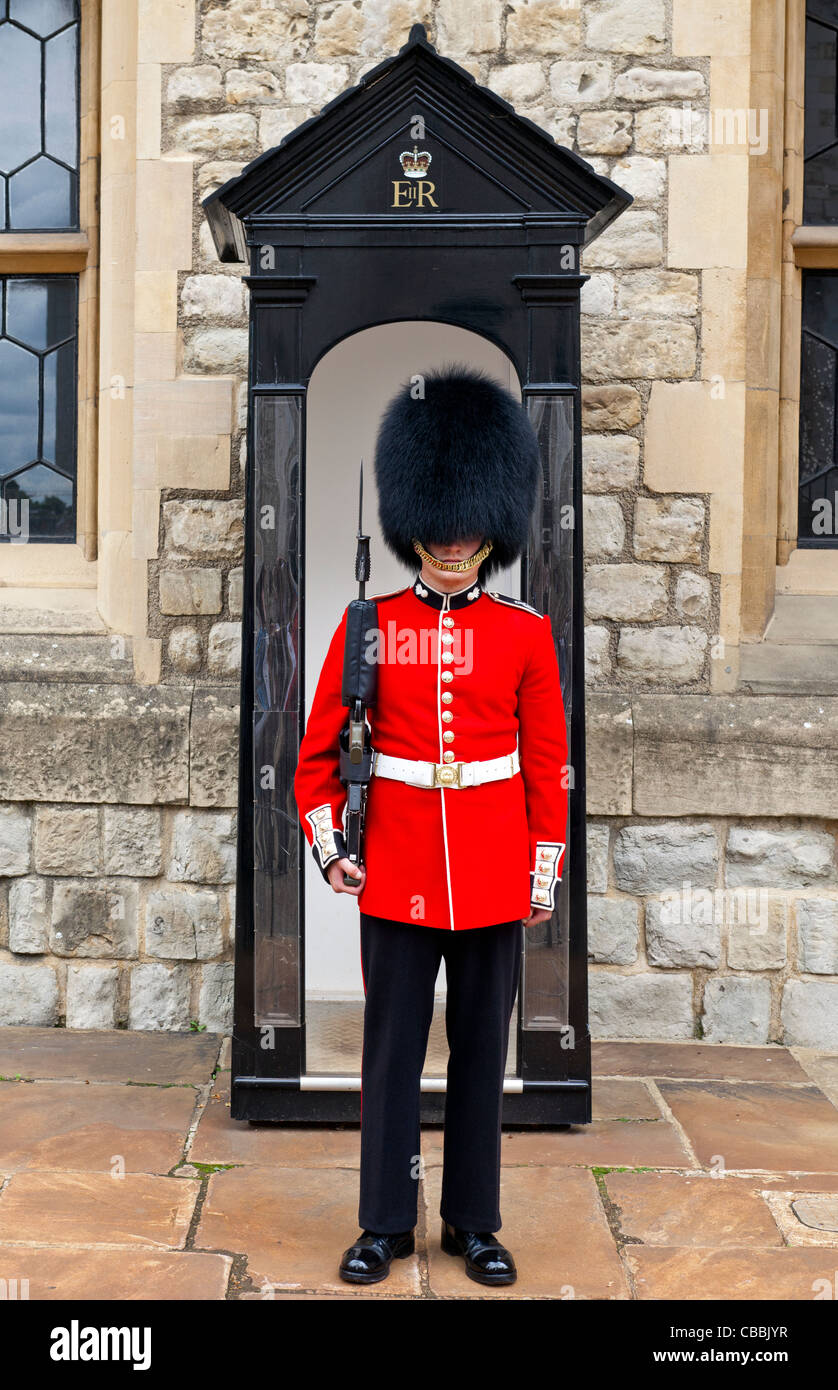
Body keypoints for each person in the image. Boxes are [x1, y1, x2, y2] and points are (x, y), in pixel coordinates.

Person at [293, 363, 569, 1287]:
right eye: (439, 533)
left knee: (482, 1058)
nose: (454, 547)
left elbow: (545, 766)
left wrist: (541, 873)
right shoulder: (367, 627)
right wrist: (334, 849)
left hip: (492, 877)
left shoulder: (525, 634)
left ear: (493, 528)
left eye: (469, 532)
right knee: (391, 1057)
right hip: (398, 871)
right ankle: (383, 1223)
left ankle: (473, 1223)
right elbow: (316, 760)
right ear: (412, 529)